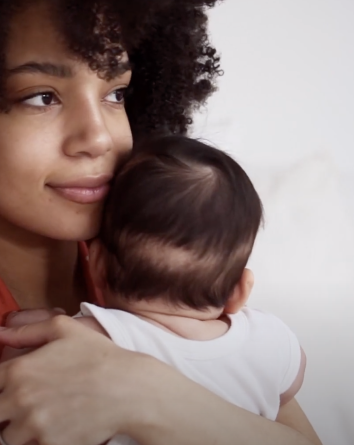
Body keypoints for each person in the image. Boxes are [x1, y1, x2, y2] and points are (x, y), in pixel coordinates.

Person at [0, 0, 321, 445]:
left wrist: (149, 395)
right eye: (42, 97)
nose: (98, 136)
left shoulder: (163, 263)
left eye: (115, 93)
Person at [52, 134, 306, 444]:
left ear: (98, 265)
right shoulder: (269, 339)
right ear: (239, 290)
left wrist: (35, 328)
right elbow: (288, 389)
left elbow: (27, 379)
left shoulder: (95, 337)